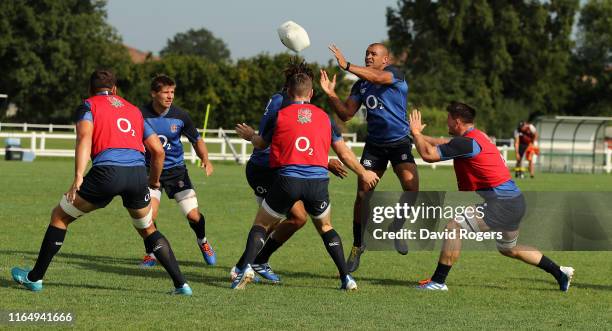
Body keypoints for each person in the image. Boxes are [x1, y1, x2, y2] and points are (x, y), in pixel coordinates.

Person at [11, 70, 192, 295]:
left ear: (90, 89)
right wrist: (153, 182)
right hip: (137, 174)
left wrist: (78, 175)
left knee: (60, 216)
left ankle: (34, 278)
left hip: (107, 172)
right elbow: (157, 151)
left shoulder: (89, 105)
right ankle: (181, 285)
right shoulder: (134, 110)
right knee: (147, 228)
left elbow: (84, 136)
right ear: (115, 89)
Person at [231, 73, 379, 290]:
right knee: (326, 227)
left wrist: (250, 135)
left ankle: (244, 268)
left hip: (287, 180)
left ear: (289, 93)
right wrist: (363, 173)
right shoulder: (325, 118)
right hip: (318, 183)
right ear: (311, 93)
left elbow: (262, 144)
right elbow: (344, 153)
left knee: (262, 224)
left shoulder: (280, 115)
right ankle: (347, 278)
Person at [408, 102, 574, 291]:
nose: (447, 123)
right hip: (515, 202)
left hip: (502, 204)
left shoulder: (465, 142)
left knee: (454, 226)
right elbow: (446, 144)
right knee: (508, 248)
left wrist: (417, 133)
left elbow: (428, 155)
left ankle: (438, 282)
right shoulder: (479, 137)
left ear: (457, 121)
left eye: (448, 120)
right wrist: (420, 136)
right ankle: (560, 272)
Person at [320, 43, 418, 272]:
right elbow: (345, 115)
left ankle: (396, 227)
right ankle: (357, 245)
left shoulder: (394, 74)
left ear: (386, 59)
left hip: (399, 142)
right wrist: (332, 95)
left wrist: (346, 65)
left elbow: (380, 78)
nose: (369, 56)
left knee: (412, 188)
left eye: (374, 54)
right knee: (363, 196)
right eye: (367, 53)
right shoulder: (361, 84)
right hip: (374, 146)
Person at [138, 75, 216, 268]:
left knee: (193, 216)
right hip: (149, 172)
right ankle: (151, 253)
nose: (170, 96)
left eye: (172, 92)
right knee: (148, 217)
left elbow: (196, 139)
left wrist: (205, 159)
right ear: (153, 94)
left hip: (176, 172)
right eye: (165, 92)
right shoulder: (139, 115)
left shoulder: (181, 116)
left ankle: (203, 241)